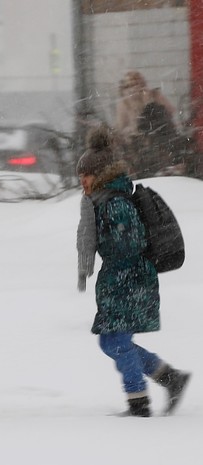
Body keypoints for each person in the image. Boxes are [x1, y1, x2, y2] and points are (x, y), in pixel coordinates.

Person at [76, 125, 190, 417]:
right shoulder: (102, 203)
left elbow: (131, 244)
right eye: (80, 176)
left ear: (100, 175)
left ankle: (138, 403)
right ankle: (170, 378)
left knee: (116, 342)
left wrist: (115, 268)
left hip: (131, 280)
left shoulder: (115, 204)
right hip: (120, 281)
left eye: (86, 175)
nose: (82, 181)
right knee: (111, 342)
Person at [114, 70, 180, 176]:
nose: (134, 89)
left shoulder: (154, 95)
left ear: (143, 84)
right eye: (129, 86)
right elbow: (121, 128)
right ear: (124, 89)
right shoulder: (123, 103)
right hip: (136, 145)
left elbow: (170, 112)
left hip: (159, 139)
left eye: (137, 84)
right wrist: (130, 131)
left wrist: (148, 102)